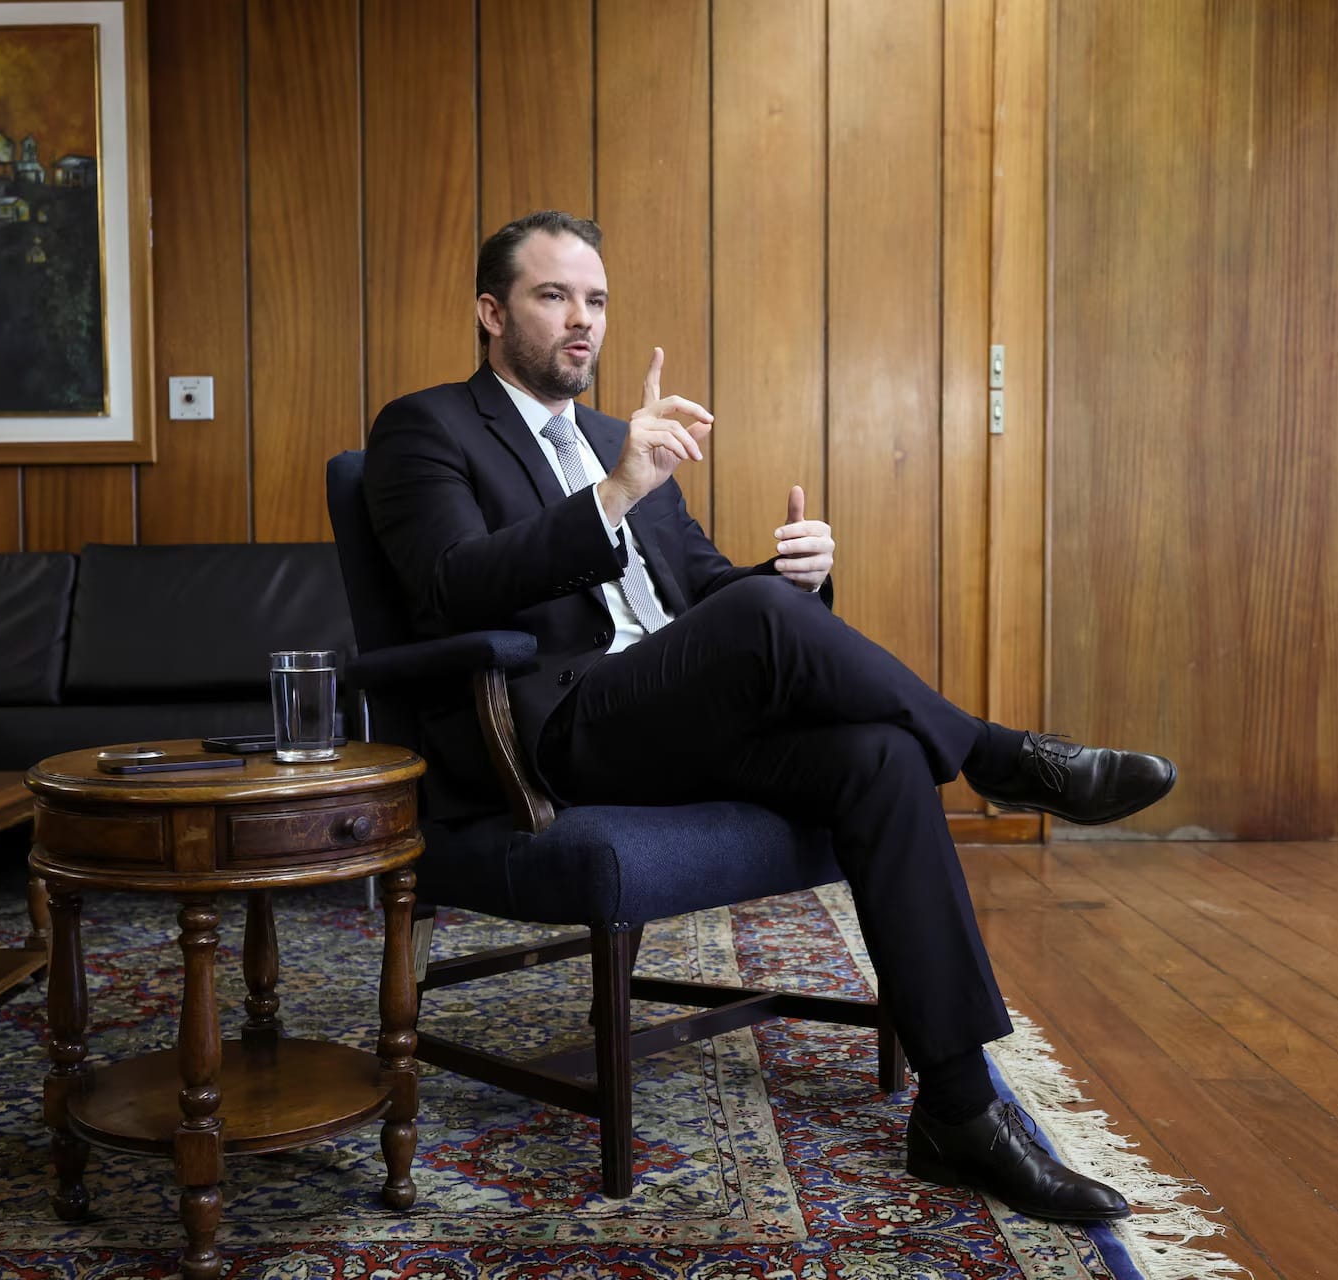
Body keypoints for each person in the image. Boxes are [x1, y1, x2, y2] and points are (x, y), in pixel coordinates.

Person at [363, 210, 1175, 1222]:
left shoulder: (619, 438)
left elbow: (710, 593)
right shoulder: (427, 427)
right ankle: (996, 754)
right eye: (554, 296)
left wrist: (795, 577)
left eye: (597, 300)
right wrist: (615, 495)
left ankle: (960, 1111)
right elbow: (451, 584)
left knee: (879, 754)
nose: (583, 321)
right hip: (555, 733)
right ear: (492, 312)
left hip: (671, 722)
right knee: (764, 623)